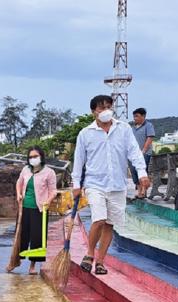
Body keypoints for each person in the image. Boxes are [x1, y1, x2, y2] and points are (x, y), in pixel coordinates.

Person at [72, 95, 150, 275]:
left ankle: (100, 261)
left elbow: (134, 152)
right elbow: (79, 161)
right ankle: (90, 254)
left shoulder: (123, 129)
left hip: (117, 184)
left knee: (109, 224)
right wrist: (77, 184)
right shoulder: (85, 134)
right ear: (93, 112)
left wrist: (143, 173)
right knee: (98, 219)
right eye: (101, 108)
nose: (105, 111)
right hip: (95, 183)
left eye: (108, 107)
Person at [15, 146, 58, 274]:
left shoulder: (49, 172)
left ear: (41, 157)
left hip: (39, 209)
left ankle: (32, 266)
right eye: (30, 157)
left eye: (35, 156)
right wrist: (18, 194)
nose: (33, 159)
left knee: (36, 237)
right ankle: (16, 260)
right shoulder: (25, 170)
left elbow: (53, 191)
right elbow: (19, 182)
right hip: (24, 208)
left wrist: (48, 201)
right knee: (21, 235)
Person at [132, 107, 156, 198]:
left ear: (143, 116)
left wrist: (143, 151)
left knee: (142, 171)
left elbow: (149, 138)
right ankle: (139, 191)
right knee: (134, 172)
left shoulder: (148, 125)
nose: (135, 118)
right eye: (134, 116)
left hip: (144, 153)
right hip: (133, 154)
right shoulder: (133, 128)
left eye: (137, 116)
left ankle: (143, 191)